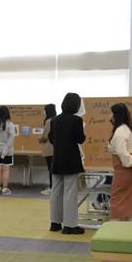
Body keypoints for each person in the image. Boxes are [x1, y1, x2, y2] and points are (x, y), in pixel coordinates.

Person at [49, 92, 86, 235]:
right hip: (71, 160)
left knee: (56, 192)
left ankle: (55, 223)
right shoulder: (77, 120)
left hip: (57, 159)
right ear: (76, 105)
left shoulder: (54, 120)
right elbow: (80, 139)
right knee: (70, 192)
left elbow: (51, 139)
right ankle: (70, 225)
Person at [107, 103, 132, 221]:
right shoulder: (125, 129)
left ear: (117, 115)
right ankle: (128, 229)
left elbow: (122, 153)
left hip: (126, 171)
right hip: (130, 171)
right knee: (130, 203)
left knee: (117, 201)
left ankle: (114, 228)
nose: (110, 117)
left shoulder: (120, 132)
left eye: (112, 114)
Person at [0, 106, 15, 195]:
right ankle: (4, 189)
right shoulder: (10, 125)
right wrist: (4, 152)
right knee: (5, 170)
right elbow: (11, 140)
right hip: (7, 152)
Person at [38, 104, 57, 196]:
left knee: (51, 169)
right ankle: (54, 187)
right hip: (57, 149)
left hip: (49, 149)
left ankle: (51, 187)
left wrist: (39, 139)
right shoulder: (57, 119)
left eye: (45, 110)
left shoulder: (49, 121)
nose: (44, 112)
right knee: (55, 169)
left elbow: (45, 137)